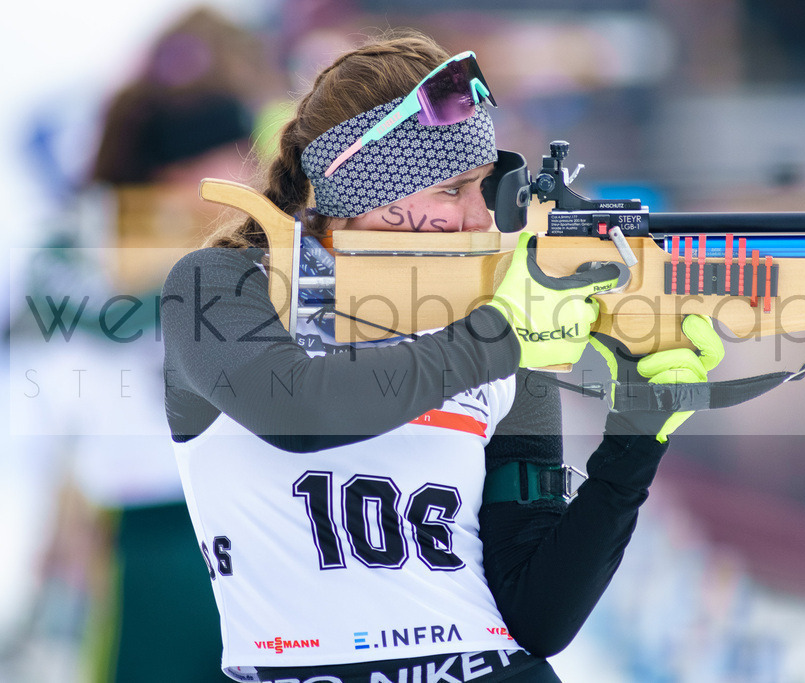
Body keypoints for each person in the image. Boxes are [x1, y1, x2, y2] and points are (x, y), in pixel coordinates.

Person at [160, 30, 724, 683]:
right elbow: (297, 408)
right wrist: (500, 334)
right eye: (453, 190)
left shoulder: (488, 319)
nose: (481, 217)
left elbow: (538, 616)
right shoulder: (221, 285)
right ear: (363, 189)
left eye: (484, 188)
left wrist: (636, 438)